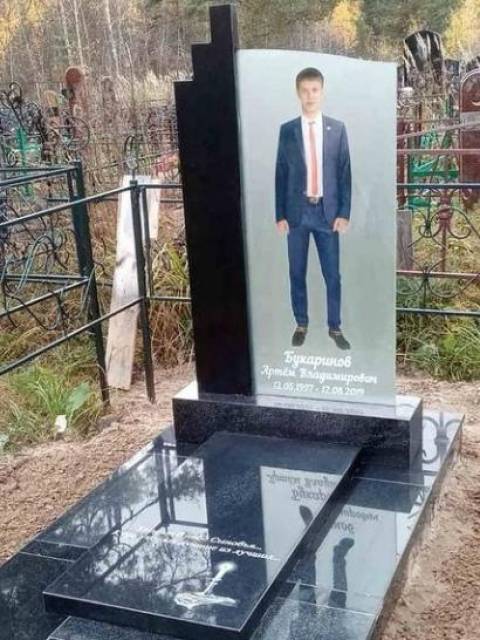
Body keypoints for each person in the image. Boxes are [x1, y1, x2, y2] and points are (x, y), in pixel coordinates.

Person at [275, 67, 351, 349]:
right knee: (297, 272)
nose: (310, 96)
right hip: (297, 214)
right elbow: (281, 173)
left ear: (322, 92)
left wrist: (344, 213)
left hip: (326, 214)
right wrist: (280, 214)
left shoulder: (337, 129)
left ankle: (335, 327)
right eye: (305, 91)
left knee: (333, 275)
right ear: (298, 93)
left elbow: (344, 173)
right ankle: (301, 323)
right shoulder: (288, 131)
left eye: (315, 90)